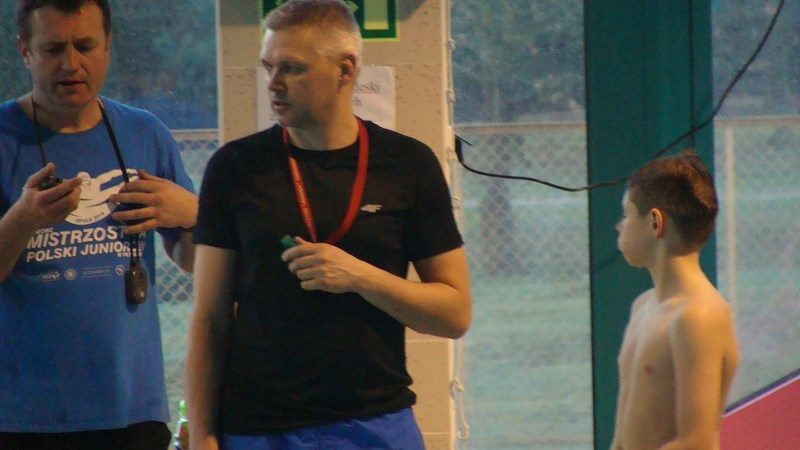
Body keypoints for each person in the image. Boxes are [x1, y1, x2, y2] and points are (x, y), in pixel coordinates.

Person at [184, 1, 472, 449]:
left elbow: (454, 314)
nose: (273, 84)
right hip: (259, 427)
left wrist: (362, 278)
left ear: (346, 69)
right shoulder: (235, 167)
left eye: (292, 68)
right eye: (268, 67)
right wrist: (203, 434)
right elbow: (209, 319)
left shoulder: (407, 164)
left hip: (374, 421)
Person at [0, 0, 197, 448]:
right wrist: (24, 219)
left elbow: (191, 259)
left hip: (133, 411)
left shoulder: (145, 133)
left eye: (85, 46)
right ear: (25, 51)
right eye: (53, 49)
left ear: (108, 45)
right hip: (24, 417)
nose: (71, 64)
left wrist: (193, 213)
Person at [611, 149, 740, 449]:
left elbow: (696, 442)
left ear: (655, 222)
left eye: (627, 215)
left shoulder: (698, 316)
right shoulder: (643, 306)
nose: (619, 226)